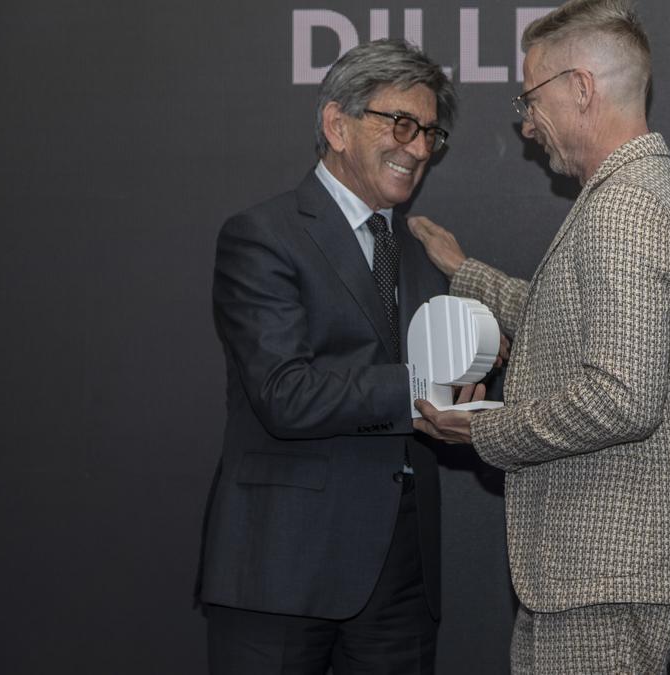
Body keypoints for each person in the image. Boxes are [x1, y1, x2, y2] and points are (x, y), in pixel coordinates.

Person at [408, 0, 670, 671]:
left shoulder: (626, 206)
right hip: (606, 573)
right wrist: (468, 273)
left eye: (531, 97)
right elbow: (574, 316)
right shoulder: (636, 191)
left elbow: (621, 398)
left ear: (581, 88)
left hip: (605, 575)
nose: (526, 125)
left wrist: (483, 430)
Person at [198, 39, 460, 674]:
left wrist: (478, 369)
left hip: (399, 577)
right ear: (337, 124)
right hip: (281, 570)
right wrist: (425, 386)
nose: (419, 148)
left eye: (430, 132)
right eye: (401, 124)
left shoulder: (425, 251)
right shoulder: (262, 237)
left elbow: (451, 375)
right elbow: (286, 394)